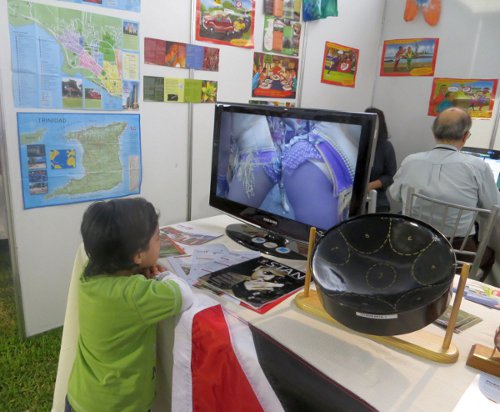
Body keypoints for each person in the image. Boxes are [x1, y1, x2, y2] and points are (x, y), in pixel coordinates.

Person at [66, 197, 193, 412]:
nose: (160, 242)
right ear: (137, 255)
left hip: (81, 397)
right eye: (157, 238)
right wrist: (162, 276)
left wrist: (136, 271)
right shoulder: (135, 295)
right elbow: (183, 294)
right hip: (120, 405)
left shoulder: (88, 276)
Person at [389, 107, 500, 275]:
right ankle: (463, 289)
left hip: (411, 243)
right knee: (490, 254)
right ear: (465, 136)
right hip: (456, 252)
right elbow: (494, 209)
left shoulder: (411, 161)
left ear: (434, 133)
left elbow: (394, 195)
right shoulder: (478, 167)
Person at [365, 108, 397, 212]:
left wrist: (369, 186)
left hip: (377, 199)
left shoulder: (386, 147)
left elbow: (390, 176)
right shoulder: (355, 143)